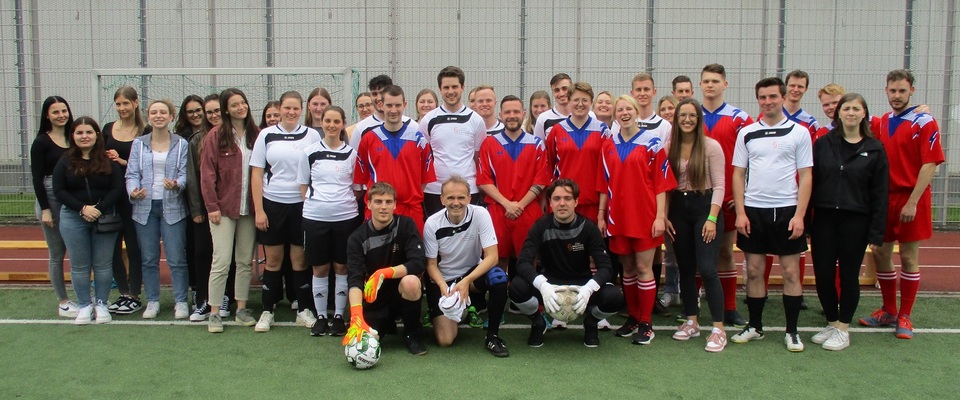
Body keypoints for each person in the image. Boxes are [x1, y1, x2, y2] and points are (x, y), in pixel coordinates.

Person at [858, 69, 945, 339]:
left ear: (912, 92)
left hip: (911, 198)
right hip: (884, 199)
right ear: (886, 90)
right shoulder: (882, 122)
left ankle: (905, 316)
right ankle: (889, 310)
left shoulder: (924, 121)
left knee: (908, 257)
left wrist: (913, 201)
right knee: (881, 252)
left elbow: (930, 163)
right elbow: (850, 114)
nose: (897, 96)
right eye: (893, 91)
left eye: (902, 91)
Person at [730, 77, 813, 352]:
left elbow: (806, 174)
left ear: (782, 97)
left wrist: (799, 215)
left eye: (772, 97)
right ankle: (755, 326)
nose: (768, 102)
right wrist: (741, 212)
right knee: (754, 271)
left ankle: (792, 331)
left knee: (790, 272)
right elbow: (738, 173)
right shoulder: (747, 132)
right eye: (763, 98)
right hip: (754, 211)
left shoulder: (799, 132)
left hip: (787, 210)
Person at [810, 93, 889, 350]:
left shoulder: (875, 149)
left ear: (864, 113)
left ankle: (844, 327)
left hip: (855, 221)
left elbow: (880, 193)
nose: (851, 113)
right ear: (838, 113)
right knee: (822, 276)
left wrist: (876, 232)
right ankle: (832, 322)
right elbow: (812, 183)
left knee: (848, 276)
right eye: (846, 108)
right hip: (824, 218)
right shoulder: (823, 144)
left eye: (856, 108)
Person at [599, 95, 677, 345]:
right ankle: (632, 317)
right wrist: (601, 214)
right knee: (628, 270)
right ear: (614, 115)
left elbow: (662, 184)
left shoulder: (652, 143)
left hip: (644, 216)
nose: (624, 113)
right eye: (619, 109)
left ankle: (646, 322)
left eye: (628, 108)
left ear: (636, 111)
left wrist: (660, 217)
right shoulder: (608, 145)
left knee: (644, 268)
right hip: (617, 216)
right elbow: (604, 183)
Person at [509, 179, 623, 348]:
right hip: (549, 287)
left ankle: (591, 323)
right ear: (550, 202)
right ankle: (538, 323)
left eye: (567, 198)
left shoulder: (588, 227)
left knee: (615, 297)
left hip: (581, 287)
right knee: (516, 288)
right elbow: (523, 263)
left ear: (576, 202)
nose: (562, 203)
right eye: (557, 199)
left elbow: (606, 267)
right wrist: (542, 285)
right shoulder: (541, 226)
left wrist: (589, 288)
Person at [250, 90, 322, 332]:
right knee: (273, 261)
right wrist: (259, 210)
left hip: (302, 207)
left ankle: (303, 310)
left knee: (299, 261)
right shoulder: (266, 135)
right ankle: (267, 311)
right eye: (287, 108)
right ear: (279, 109)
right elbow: (257, 173)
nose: (291, 112)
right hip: (273, 205)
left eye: (295, 108)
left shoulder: (311, 135)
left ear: (302, 110)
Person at [664, 98, 728, 352]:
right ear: (677, 120)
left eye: (692, 116)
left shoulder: (711, 147)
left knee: (708, 269)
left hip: (705, 207)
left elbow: (720, 185)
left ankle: (718, 327)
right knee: (686, 268)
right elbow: (666, 185)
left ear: (698, 119)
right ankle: (692, 320)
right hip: (679, 209)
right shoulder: (670, 146)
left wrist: (712, 218)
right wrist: (666, 215)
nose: (687, 120)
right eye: (683, 116)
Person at [423, 176, 507, 356]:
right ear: (442, 199)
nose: (456, 202)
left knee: (498, 276)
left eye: (461, 197)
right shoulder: (432, 223)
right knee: (445, 340)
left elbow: (492, 257)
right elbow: (430, 264)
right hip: (444, 281)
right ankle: (463, 310)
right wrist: (443, 287)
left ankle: (492, 336)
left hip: (470, 277)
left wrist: (467, 281)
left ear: (469, 198)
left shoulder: (481, 214)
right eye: (450, 198)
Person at [342, 182, 427, 356]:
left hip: (402, 291)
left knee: (411, 281)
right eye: (378, 202)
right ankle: (384, 323)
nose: (383, 207)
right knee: (363, 342)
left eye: (388, 202)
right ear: (369, 204)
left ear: (395, 205)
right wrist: (356, 314)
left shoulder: (406, 225)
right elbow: (355, 279)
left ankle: (412, 334)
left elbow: (418, 263)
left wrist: (385, 272)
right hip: (375, 298)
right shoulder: (357, 238)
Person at [297, 106, 362, 337]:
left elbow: (356, 189)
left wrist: (339, 203)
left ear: (343, 123)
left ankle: (338, 318)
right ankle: (321, 317)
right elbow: (303, 185)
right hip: (315, 218)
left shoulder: (352, 154)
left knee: (342, 267)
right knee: (320, 268)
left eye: (336, 121)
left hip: (345, 217)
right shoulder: (309, 152)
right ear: (322, 123)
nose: (332, 125)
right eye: (328, 121)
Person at [199, 88, 260, 333]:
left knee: (245, 260)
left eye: (243, 102)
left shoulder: (257, 135)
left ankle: (241, 309)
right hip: (223, 209)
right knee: (221, 261)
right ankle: (215, 312)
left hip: (250, 209)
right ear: (226, 109)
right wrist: (211, 206)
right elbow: (207, 174)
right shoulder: (216, 136)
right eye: (234, 104)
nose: (240, 107)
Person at [53, 116, 124, 325]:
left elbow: (117, 189)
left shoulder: (108, 159)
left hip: (104, 218)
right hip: (73, 218)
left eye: (89, 132)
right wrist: (82, 208)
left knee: (103, 264)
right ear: (73, 136)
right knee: (80, 265)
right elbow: (59, 190)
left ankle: (101, 303)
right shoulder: (65, 161)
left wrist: (98, 209)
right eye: (79, 133)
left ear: (97, 135)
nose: (84, 136)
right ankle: (84, 304)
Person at [125, 99, 191, 319]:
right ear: (148, 116)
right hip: (145, 208)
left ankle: (181, 301)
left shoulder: (181, 143)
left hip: (172, 207)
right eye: (154, 112)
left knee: (176, 258)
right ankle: (152, 300)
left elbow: (184, 174)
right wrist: (133, 190)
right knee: (149, 258)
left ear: (171, 116)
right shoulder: (139, 144)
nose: (159, 115)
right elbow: (132, 172)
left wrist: (176, 185)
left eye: (163, 112)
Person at [699, 63, 753, 327]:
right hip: (695, 198)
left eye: (715, 81)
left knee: (724, 251)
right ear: (700, 85)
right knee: (695, 252)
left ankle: (730, 307)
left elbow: (753, 158)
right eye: (706, 81)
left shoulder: (740, 118)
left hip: (727, 198)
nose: (710, 85)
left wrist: (741, 194)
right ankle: (694, 306)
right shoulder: (689, 115)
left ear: (725, 84)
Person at [477, 95, 550, 271]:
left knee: (528, 259)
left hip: (528, 209)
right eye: (507, 112)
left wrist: (519, 205)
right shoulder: (489, 143)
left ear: (524, 114)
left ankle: (525, 297)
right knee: (497, 259)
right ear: (500, 114)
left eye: (516, 111)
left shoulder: (537, 144)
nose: (512, 115)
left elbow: (541, 181)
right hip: (498, 209)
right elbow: (483, 180)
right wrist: (507, 204)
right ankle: (499, 296)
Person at [354, 85, 436, 233]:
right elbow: (363, 177)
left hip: (411, 210)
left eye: (398, 105)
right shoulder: (368, 139)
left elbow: (425, 178)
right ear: (380, 105)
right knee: (377, 256)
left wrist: (409, 192)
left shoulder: (419, 139)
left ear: (404, 105)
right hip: (379, 210)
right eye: (389, 105)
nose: (393, 110)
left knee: (413, 255)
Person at [418, 66, 487, 216]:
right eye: (446, 87)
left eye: (455, 86)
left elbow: (478, 157)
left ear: (462, 88)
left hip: (468, 189)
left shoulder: (476, 120)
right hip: (435, 190)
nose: (450, 91)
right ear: (440, 89)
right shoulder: (428, 120)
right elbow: (424, 157)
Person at [103, 86, 148, 315]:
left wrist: (122, 161)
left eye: (126, 104)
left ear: (135, 103)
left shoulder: (145, 130)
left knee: (134, 247)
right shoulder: (108, 130)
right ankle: (122, 292)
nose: (122, 108)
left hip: (136, 198)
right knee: (112, 247)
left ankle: (134, 293)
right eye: (118, 104)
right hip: (112, 196)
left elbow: (147, 165)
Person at [31, 96, 77, 317]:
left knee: (79, 251)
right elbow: (37, 178)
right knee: (57, 253)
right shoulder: (41, 142)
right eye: (55, 112)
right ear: (47, 115)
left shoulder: (75, 136)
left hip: (73, 195)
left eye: (64, 111)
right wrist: (46, 208)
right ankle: (63, 301)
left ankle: (86, 299)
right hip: (51, 197)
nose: (61, 115)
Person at [174, 94, 206, 311]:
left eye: (198, 110)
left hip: (206, 200)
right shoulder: (180, 138)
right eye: (190, 111)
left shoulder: (214, 134)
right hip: (186, 200)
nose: (195, 114)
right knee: (193, 247)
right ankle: (195, 290)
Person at [348, 75, 415, 151]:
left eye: (382, 93)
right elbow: (355, 159)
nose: (379, 98)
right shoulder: (361, 128)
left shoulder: (411, 125)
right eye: (374, 94)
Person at [533, 73, 573, 140]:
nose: (561, 94)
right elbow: (539, 147)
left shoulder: (587, 115)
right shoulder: (543, 118)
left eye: (564, 88)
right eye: (556, 90)